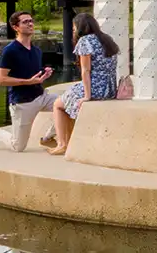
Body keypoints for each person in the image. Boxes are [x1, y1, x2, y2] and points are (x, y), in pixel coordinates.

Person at [50, 11, 120, 154]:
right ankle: (66, 142)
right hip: (110, 87)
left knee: (58, 105)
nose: (73, 30)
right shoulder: (107, 39)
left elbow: (86, 71)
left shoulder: (85, 41)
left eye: (74, 27)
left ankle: (62, 144)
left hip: (95, 87)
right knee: (68, 100)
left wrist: (87, 96)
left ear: (80, 27)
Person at [0, 11, 53, 152]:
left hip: (42, 96)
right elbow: (1, 80)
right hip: (22, 102)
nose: (30, 24)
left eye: (31, 21)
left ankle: (48, 138)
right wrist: (28, 82)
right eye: (25, 22)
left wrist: (45, 73)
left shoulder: (36, 50)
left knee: (70, 105)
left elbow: (32, 72)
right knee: (18, 146)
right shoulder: (10, 51)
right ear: (16, 27)